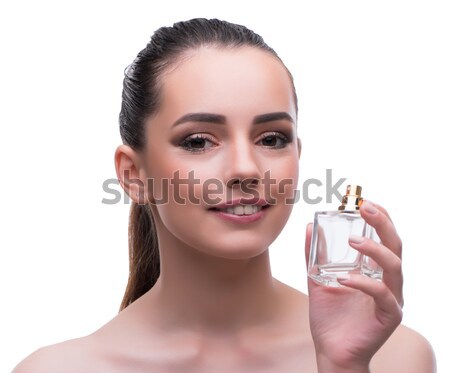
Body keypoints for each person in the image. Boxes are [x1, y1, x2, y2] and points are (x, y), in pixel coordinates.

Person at [13, 18, 436, 373]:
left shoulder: (394, 357)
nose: (246, 169)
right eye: (198, 141)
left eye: (271, 138)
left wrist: (343, 367)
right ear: (133, 174)